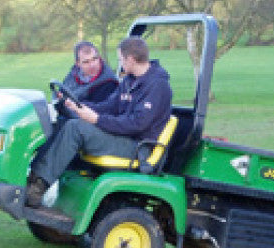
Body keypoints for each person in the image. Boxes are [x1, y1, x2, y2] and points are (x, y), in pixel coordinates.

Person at [26, 36, 172, 208]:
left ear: (131, 59)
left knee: (76, 129)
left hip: (138, 147)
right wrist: (77, 106)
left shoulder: (158, 86)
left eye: (121, 59)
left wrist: (96, 119)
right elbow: (109, 105)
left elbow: (137, 124)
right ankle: (34, 178)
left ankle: (36, 188)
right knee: (68, 124)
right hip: (123, 139)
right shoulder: (130, 81)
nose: (120, 63)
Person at [59, 41, 118, 105]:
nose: (92, 65)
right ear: (77, 63)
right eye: (86, 62)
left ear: (99, 57)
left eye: (94, 59)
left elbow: (98, 111)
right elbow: (62, 91)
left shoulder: (108, 83)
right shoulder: (73, 74)